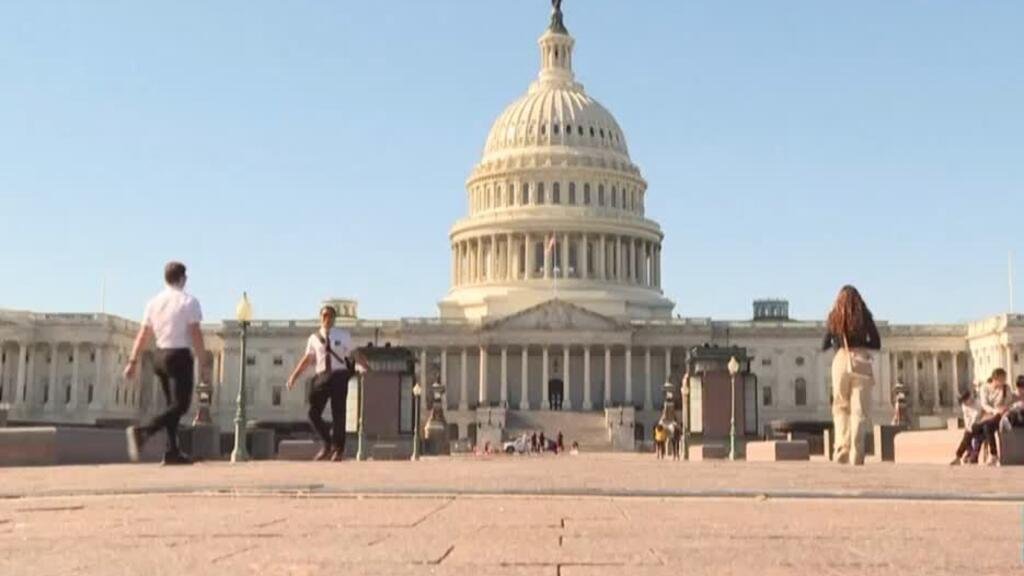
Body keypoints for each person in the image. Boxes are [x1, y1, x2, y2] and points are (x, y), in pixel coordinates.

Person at [124, 261, 209, 465]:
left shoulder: (153, 303)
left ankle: (172, 452)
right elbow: (195, 334)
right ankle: (144, 431)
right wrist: (204, 362)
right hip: (179, 355)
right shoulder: (189, 301)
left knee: (172, 406)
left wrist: (133, 360)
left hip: (159, 356)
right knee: (181, 405)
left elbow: (143, 334)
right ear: (182, 278)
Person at [286, 304, 363, 461]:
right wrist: (294, 376)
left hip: (339, 375)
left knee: (338, 413)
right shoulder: (314, 338)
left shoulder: (343, 335)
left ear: (334, 319)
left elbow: (354, 353)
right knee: (313, 413)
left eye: (329, 316)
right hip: (322, 376)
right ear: (320, 318)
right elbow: (307, 359)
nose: (326, 319)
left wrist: (367, 367)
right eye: (324, 315)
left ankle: (338, 450)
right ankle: (327, 443)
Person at [822, 285, 881, 465]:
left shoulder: (835, 317)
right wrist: (862, 345)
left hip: (841, 360)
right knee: (859, 411)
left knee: (840, 407)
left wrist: (838, 344)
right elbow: (877, 343)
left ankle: (842, 447)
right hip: (861, 361)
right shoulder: (865, 317)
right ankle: (857, 452)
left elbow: (824, 343)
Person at [976, 369, 1012, 465]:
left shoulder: (1006, 388)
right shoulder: (985, 388)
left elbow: (1008, 403)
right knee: (975, 428)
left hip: (1001, 415)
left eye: (1004, 379)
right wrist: (994, 410)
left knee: (987, 427)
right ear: (994, 379)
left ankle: (993, 455)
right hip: (988, 414)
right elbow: (984, 404)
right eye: (1001, 379)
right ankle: (973, 454)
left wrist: (999, 410)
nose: (1003, 381)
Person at [951, 389, 982, 465]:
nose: (964, 403)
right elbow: (966, 417)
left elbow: (976, 416)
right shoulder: (964, 405)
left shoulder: (977, 403)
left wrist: (970, 427)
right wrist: (968, 426)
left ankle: (962, 456)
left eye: (965, 400)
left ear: (970, 398)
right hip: (970, 426)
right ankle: (969, 455)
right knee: (966, 436)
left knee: (969, 435)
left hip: (979, 424)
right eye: (963, 401)